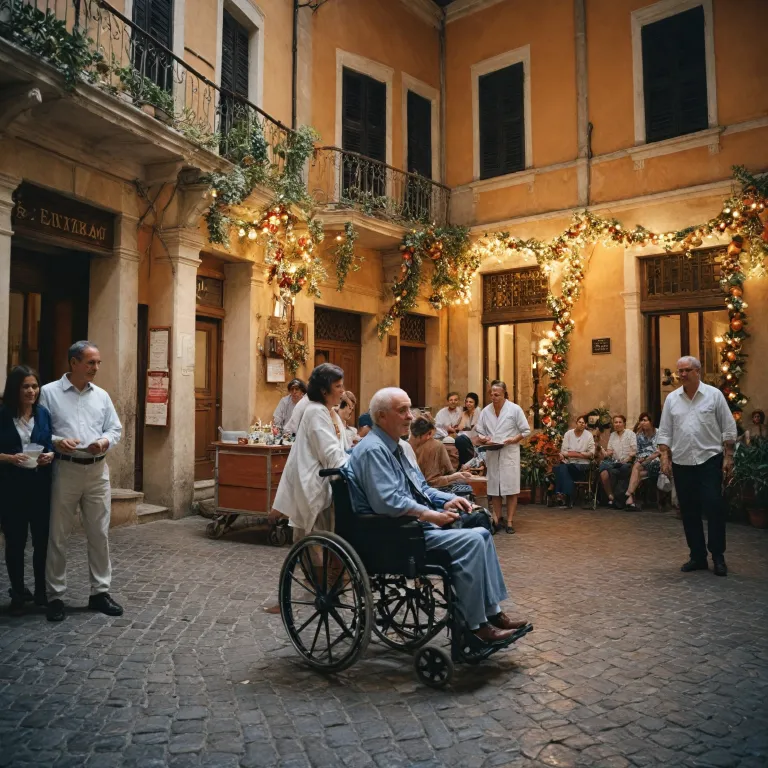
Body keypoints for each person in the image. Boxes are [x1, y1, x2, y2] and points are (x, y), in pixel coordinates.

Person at [344, 387, 529, 643]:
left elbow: (421, 488)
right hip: (393, 535)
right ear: (382, 416)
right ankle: (475, 627)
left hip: (410, 527)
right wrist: (431, 515)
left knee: (483, 535)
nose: (410, 416)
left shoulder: (398, 448)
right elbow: (388, 502)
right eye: (403, 410)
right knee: (473, 540)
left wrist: (449, 499)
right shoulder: (374, 450)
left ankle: (492, 613)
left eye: (410, 409)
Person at [39, 341, 123, 622]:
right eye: (91, 362)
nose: (96, 368)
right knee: (58, 533)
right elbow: (38, 432)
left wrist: (104, 441)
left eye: (98, 363)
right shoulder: (49, 393)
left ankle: (100, 592)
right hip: (66, 469)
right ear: (74, 362)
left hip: (98, 471)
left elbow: (115, 428)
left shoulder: (101, 396)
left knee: (99, 533)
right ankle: (55, 596)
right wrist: (57, 441)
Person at [657, 356, 737, 576]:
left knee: (713, 507)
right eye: (679, 371)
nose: (682, 375)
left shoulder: (714, 396)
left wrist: (728, 457)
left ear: (698, 371)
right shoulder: (672, 399)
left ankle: (718, 556)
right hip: (682, 461)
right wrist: (665, 457)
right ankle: (697, 556)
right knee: (689, 511)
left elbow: (728, 428)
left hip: (709, 460)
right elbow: (664, 431)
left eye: (686, 370)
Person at [271, 364, 349, 540]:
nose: (342, 392)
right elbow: (331, 455)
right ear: (323, 390)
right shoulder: (315, 412)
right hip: (317, 487)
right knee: (318, 547)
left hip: (327, 485)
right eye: (338, 386)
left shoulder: (330, 413)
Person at [0, 366, 54, 614]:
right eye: (25, 386)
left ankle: (41, 591)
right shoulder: (2, 415)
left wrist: (49, 456)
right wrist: (10, 458)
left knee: (42, 541)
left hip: (39, 485)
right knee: (15, 542)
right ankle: (18, 592)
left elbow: (49, 443)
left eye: (34, 386)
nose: (31, 391)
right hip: (11, 487)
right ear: (15, 389)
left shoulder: (43, 414)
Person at [475, 381, 531, 534]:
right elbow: (479, 430)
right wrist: (484, 438)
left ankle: (510, 521)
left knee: (511, 488)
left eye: (497, 395)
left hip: (509, 451)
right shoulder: (486, 411)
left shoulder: (514, 409)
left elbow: (526, 430)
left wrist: (514, 439)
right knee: (495, 488)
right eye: (491, 394)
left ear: (505, 394)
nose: (494, 397)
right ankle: (497, 519)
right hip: (493, 451)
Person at [408, 413, 473, 489]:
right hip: (425, 491)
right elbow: (431, 482)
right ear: (431, 431)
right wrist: (455, 476)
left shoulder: (403, 444)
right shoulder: (435, 445)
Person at [553, 415, 595, 508]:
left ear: (586, 424)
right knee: (563, 467)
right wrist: (581, 454)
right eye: (579, 422)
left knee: (561, 468)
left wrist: (572, 453)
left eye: (583, 423)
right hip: (569, 464)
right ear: (576, 423)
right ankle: (566, 497)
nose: (581, 424)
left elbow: (591, 453)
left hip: (583, 466)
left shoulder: (588, 435)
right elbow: (563, 452)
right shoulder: (568, 434)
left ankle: (563, 496)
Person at [624, 412, 661, 511]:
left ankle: (629, 494)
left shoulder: (658, 433)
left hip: (655, 462)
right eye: (641, 420)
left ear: (651, 421)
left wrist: (646, 459)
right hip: (642, 462)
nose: (643, 422)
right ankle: (630, 496)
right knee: (638, 472)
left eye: (645, 420)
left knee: (636, 467)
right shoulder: (639, 436)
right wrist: (641, 459)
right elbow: (638, 451)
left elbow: (658, 452)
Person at [598, 415, 637, 508]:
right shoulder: (612, 435)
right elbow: (609, 452)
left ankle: (622, 498)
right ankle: (610, 497)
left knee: (622, 469)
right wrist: (604, 452)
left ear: (624, 423)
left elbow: (634, 451)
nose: (618, 424)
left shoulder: (630, 434)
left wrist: (627, 459)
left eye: (620, 422)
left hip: (627, 462)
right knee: (603, 470)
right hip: (615, 462)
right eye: (616, 422)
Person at [455, 392, 480, 466]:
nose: (468, 403)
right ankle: (464, 465)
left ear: (475, 403)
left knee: (460, 440)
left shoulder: (478, 412)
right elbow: (460, 428)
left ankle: (465, 465)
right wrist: (464, 416)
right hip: (463, 438)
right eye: (467, 402)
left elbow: (473, 427)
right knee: (460, 440)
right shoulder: (464, 413)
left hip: (474, 438)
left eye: (471, 402)